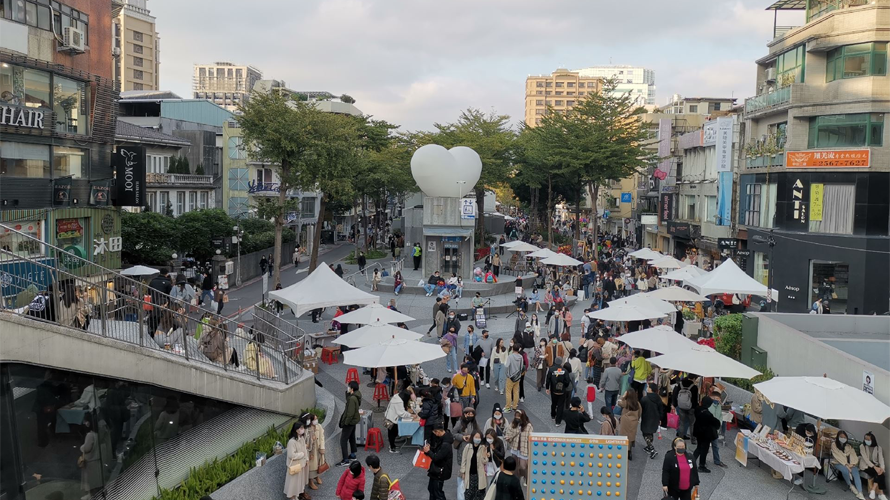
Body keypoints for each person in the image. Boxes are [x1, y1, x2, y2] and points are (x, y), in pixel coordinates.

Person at [833, 430, 867, 500]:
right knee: (845, 470)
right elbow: (838, 456)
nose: (843, 438)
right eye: (841, 437)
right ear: (838, 437)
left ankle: (860, 492)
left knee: (856, 472)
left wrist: (853, 464)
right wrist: (846, 464)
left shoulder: (849, 446)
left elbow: (853, 455)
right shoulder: (834, 444)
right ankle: (850, 485)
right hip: (838, 463)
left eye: (844, 437)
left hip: (850, 464)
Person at [423, 423, 453, 500]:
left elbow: (436, 457)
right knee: (432, 489)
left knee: (437, 492)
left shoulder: (445, 444)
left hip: (440, 471)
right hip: (437, 470)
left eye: (435, 433)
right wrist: (430, 450)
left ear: (438, 432)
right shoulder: (444, 439)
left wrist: (429, 451)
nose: (435, 434)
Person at [692, 396, 721, 473]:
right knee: (704, 450)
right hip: (705, 434)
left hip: (698, 431)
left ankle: (691, 461)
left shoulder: (698, 409)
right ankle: (702, 465)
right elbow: (716, 423)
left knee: (698, 448)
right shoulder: (708, 414)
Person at [336, 381, 362, 467]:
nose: (347, 387)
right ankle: (353, 455)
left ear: (352, 389)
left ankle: (345, 460)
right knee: (351, 437)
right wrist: (347, 393)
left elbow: (349, 413)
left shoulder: (352, 399)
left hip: (349, 422)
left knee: (343, 440)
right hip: (354, 420)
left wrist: (345, 423)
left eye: (349, 387)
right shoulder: (356, 395)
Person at [504, 410, 532, 484]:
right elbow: (508, 433)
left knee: (523, 466)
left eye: (519, 416)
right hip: (515, 447)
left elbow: (530, 437)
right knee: (515, 465)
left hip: (524, 448)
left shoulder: (528, 426)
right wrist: (508, 438)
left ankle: (525, 477)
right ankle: (517, 479)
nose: (517, 418)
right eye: (516, 416)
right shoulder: (513, 424)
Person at [460, 431, 489, 500]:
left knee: (479, 494)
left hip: (479, 475)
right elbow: (463, 460)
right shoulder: (468, 447)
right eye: (476, 437)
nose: (477, 439)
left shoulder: (482, 447)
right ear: (472, 437)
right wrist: (463, 472)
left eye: (479, 437)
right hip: (469, 475)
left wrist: (485, 454)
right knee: (469, 494)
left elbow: (485, 461)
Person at [284, 422, 310, 500]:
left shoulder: (301, 439)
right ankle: (292, 497)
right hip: (295, 466)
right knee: (293, 483)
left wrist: (307, 459)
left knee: (299, 482)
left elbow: (305, 450)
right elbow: (291, 455)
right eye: (301, 428)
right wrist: (301, 455)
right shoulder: (292, 442)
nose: (303, 430)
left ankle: (296, 496)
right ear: (296, 430)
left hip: (301, 465)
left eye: (303, 428)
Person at [79, 413, 103, 497]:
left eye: (85, 421)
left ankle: (91, 496)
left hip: (90, 462)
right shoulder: (98, 433)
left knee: (90, 482)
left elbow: (87, 448)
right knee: (96, 481)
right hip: (96, 460)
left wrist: (82, 447)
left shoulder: (90, 435)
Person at [859, 432, 887, 500]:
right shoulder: (862, 446)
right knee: (877, 472)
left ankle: (873, 490)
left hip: (875, 465)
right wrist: (875, 467)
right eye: (865, 439)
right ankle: (881, 493)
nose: (866, 441)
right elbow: (865, 459)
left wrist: (882, 468)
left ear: (873, 440)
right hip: (865, 465)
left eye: (868, 439)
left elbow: (881, 459)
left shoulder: (878, 448)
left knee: (881, 473)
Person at [617, 389, 642, 460]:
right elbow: (639, 413)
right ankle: (629, 451)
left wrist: (623, 396)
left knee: (624, 435)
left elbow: (618, 402)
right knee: (630, 436)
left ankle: (624, 451)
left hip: (625, 421)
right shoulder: (637, 404)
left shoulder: (626, 402)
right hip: (633, 422)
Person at [641, 382, 663, 459]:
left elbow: (641, 409)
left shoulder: (645, 399)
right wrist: (660, 418)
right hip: (655, 418)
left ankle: (652, 449)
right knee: (650, 433)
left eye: (648, 387)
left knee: (645, 433)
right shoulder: (658, 398)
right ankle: (648, 446)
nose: (647, 388)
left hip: (646, 417)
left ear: (650, 389)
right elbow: (661, 409)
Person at [304, 412, 326, 490]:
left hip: (318, 448)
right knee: (311, 466)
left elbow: (322, 437)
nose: (316, 420)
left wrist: (322, 447)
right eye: (315, 419)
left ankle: (316, 477)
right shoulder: (307, 429)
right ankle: (311, 481)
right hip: (311, 451)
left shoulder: (319, 426)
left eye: (317, 419)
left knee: (318, 464)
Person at [673, 375, 699, 440]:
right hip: (690, 407)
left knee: (681, 422)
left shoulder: (680, 384)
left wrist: (675, 404)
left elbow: (675, 394)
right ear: (693, 378)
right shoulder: (694, 387)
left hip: (680, 406)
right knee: (692, 423)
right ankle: (693, 438)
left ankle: (680, 437)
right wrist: (695, 407)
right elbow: (695, 399)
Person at [545, 360, 571, 426]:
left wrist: (547, 388)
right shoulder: (565, 371)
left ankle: (553, 415)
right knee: (560, 406)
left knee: (553, 403)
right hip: (562, 391)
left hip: (553, 390)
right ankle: (558, 421)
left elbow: (548, 379)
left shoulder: (551, 369)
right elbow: (567, 381)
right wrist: (564, 386)